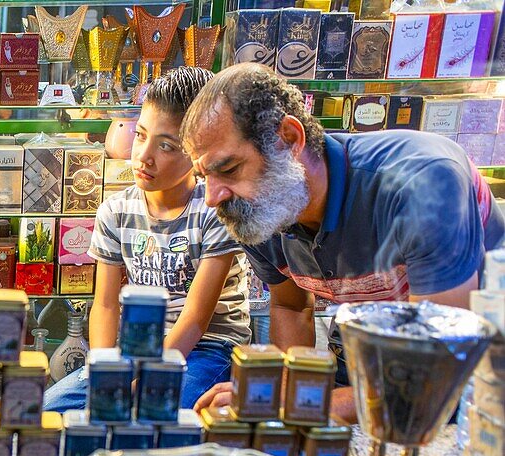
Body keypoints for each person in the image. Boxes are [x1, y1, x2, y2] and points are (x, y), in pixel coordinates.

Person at [182, 63, 505, 422]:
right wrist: (284, 389)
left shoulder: (422, 185)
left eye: (227, 169)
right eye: (203, 175)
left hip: (482, 370)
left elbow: (436, 371)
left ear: (289, 139)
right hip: (381, 352)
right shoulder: (261, 207)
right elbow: (291, 307)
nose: (211, 197)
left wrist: (286, 405)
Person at [43, 66, 251, 412]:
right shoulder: (116, 210)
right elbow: (106, 305)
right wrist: (105, 370)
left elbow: (197, 318)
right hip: (136, 343)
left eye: (166, 145)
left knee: (148, 414)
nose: (143, 156)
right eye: (140, 135)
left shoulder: (215, 210)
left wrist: (148, 379)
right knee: (48, 413)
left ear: (197, 152)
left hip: (208, 348)